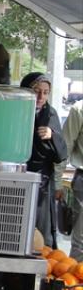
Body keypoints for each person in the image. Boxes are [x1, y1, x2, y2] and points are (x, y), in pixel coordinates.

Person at [22, 72, 67, 248]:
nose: (41, 96)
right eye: (36, 91)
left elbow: (61, 153)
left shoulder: (50, 114)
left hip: (42, 181)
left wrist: (52, 136)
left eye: (46, 92)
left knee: (40, 231)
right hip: (19, 176)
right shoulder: (18, 110)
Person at [62, 99, 83, 259]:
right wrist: (57, 180)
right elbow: (66, 145)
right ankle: (76, 282)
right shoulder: (79, 109)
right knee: (81, 242)